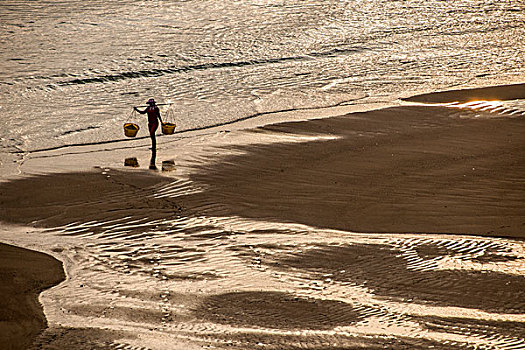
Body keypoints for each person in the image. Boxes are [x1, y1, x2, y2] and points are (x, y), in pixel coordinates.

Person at [134, 98, 163, 169]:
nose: (151, 104)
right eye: (150, 104)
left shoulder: (156, 108)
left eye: (151, 103)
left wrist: (162, 122)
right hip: (150, 123)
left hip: (155, 123)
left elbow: (158, 115)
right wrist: (136, 110)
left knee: (152, 133)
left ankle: (154, 147)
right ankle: (153, 146)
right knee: (151, 135)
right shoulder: (148, 108)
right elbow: (142, 113)